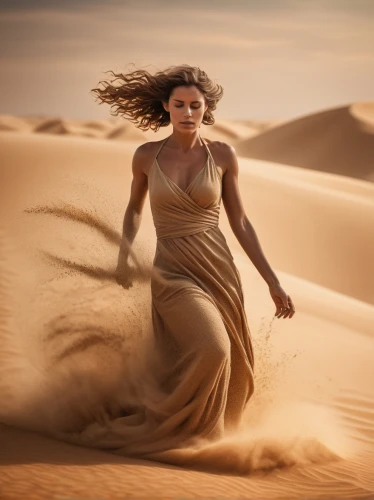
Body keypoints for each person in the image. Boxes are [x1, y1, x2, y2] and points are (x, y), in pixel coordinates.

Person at [87, 64, 296, 460]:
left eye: (195, 106)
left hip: (218, 268)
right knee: (213, 348)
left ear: (206, 108)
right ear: (165, 106)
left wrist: (272, 280)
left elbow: (241, 221)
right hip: (171, 269)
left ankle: (211, 435)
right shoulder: (146, 156)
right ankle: (173, 428)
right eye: (179, 105)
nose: (187, 113)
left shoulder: (222, 155)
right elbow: (134, 209)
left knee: (232, 358)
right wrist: (123, 255)